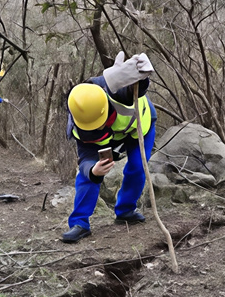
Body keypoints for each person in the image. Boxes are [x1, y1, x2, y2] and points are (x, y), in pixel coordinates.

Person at [62, 52, 156, 243]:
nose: (97, 127)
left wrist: (141, 75)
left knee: (138, 167)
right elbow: (86, 158)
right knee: (90, 175)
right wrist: (93, 171)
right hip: (112, 136)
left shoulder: (115, 88)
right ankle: (79, 223)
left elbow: (137, 89)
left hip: (139, 125)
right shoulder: (80, 123)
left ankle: (126, 210)